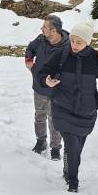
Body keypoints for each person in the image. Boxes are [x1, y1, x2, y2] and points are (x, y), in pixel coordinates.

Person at [38, 20, 98, 193]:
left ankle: (68, 169)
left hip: (86, 112)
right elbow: (42, 72)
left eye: (79, 42)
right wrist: (46, 81)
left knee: (77, 148)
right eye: (72, 40)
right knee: (72, 145)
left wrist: (96, 103)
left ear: (87, 42)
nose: (74, 45)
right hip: (62, 107)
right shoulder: (62, 54)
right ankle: (73, 181)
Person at [25, 15, 70, 161]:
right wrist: (29, 60)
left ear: (54, 30)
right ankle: (41, 141)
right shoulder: (41, 39)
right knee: (39, 115)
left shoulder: (68, 46)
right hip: (39, 86)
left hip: (56, 90)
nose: (41, 29)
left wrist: (56, 79)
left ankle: (56, 148)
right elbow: (30, 48)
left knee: (54, 119)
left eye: (44, 27)